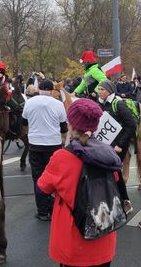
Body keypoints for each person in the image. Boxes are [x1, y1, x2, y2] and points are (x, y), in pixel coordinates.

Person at [37, 98, 119, 267]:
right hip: (103, 236)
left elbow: (42, 188)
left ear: (71, 124)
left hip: (74, 241)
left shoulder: (62, 157)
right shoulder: (108, 153)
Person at [22, 79, 68, 221]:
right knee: (54, 177)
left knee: (38, 178)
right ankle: (54, 208)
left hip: (35, 144)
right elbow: (64, 128)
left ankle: (42, 211)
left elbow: (24, 122)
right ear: (51, 90)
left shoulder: (29, 103)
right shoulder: (58, 104)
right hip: (53, 145)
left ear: (39, 89)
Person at [97, 80, 136, 214]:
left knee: (115, 172)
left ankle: (125, 202)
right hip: (105, 146)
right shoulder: (100, 104)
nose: (99, 91)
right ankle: (111, 200)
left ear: (109, 91)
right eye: (99, 89)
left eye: (102, 89)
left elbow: (131, 125)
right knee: (106, 172)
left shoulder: (118, 104)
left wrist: (120, 144)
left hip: (118, 147)